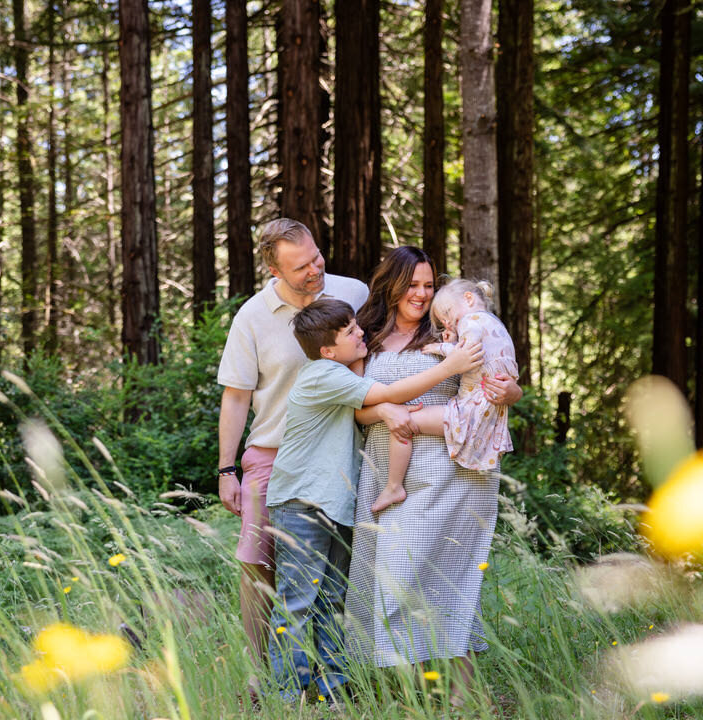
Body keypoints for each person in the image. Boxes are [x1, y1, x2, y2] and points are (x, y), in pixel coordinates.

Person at [264, 299, 483, 702]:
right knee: (297, 601)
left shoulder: (337, 374)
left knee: (331, 599)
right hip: (301, 503)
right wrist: (448, 368)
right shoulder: (322, 374)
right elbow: (387, 392)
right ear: (328, 349)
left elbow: (373, 403)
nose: (360, 331)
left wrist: (383, 407)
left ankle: (332, 690)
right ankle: (285, 695)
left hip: (334, 503)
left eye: (355, 326)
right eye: (349, 331)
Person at [344, 247, 521, 706]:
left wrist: (513, 390)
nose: (421, 294)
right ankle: (403, 692)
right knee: (393, 578)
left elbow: (500, 380)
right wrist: (384, 408)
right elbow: (358, 412)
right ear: (391, 284)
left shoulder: (452, 327)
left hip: (451, 472)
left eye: (428, 285)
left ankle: (461, 696)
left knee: (448, 578)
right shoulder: (369, 336)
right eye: (412, 285)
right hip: (388, 471)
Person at [216, 218, 369, 690]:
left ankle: (331, 672)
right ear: (273, 268)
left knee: (336, 571)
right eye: (301, 267)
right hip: (273, 454)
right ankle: (262, 671)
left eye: (317, 257)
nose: (314, 271)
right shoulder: (253, 316)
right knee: (259, 563)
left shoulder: (353, 293)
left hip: (340, 451)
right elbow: (237, 396)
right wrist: (226, 469)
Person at [371, 277, 518, 513]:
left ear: (468, 299)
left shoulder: (471, 321)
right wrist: (455, 337)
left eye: (449, 316)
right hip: (487, 408)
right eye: (444, 322)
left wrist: (439, 348)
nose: (448, 324)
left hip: (470, 409)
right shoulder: (495, 325)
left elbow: (466, 356)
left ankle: (394, 486)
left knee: (404, 420)